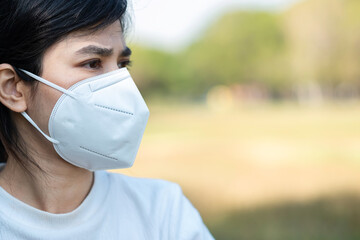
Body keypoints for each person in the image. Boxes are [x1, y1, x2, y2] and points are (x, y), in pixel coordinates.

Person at [0, 0, 214, 239]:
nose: (122, 86)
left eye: (123, 64)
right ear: (12, 88)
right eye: (92, 63)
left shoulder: (163, 211)